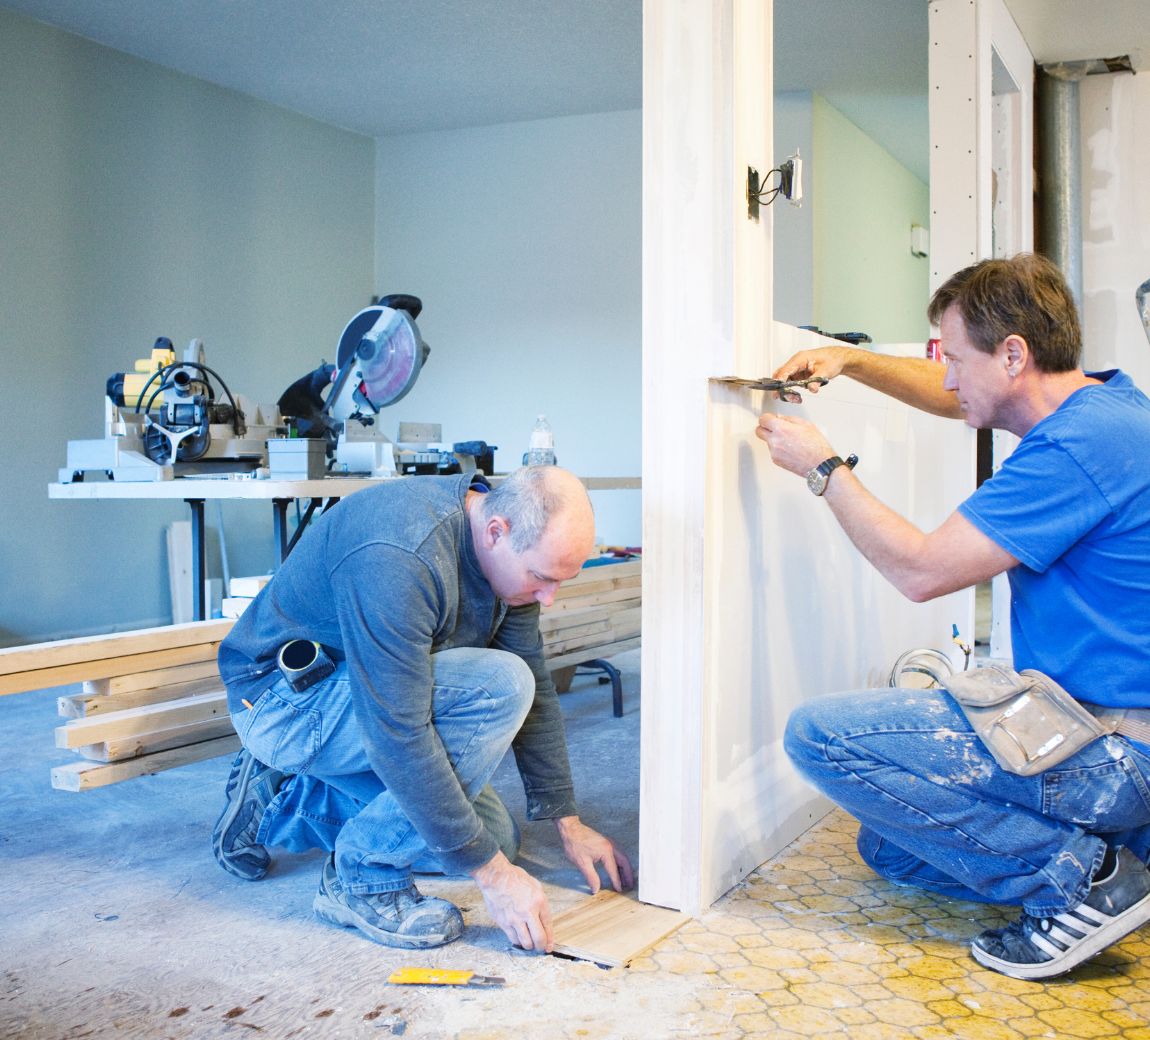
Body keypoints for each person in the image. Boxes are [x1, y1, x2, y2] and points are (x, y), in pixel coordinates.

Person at [754, 253, 1150, 980]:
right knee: (890, 846)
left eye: (955, 358)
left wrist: (824, 468)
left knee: (819, 738)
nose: (946, 377)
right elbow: (961, 398)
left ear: (1013, 354)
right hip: (1110, 730)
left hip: (1117, 746)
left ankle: (1089, 880)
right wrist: (850, 360)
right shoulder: (1105, 407)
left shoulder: (1078, 447)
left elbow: (921, 571)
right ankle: (1132, 853)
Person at [211, 465, 634, 952]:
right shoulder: (399, 553)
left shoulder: (508, 559)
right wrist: (494, 878)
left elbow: (537, 685)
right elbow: (398, 732)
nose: (549, 598)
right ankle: (360, 877)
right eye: (541, 578)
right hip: (285, 703)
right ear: (498, 531)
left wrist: (568, 821)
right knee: (498, 686)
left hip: (364, 696)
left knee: (493, 836)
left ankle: (285, 797)